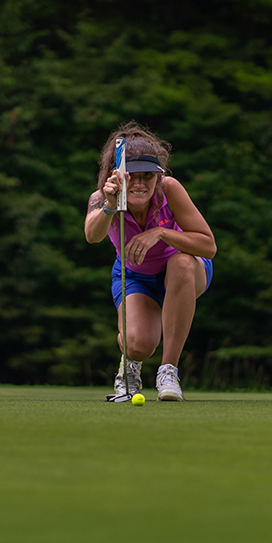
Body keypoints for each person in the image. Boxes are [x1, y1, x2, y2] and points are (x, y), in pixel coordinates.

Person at [83, 122, 217, 402]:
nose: (141, 184)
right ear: (117, 175)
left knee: (180, 263)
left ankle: (168, 372)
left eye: (148, 176)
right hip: (135, 277)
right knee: (139, 345)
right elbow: (92, 236)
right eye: (133, 176)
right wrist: (109, 204)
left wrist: (161, 233)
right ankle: (130, 366)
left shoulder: (169, 189)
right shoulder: (102, 198)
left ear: (159, 176)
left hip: (186, 271)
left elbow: (208, 246)